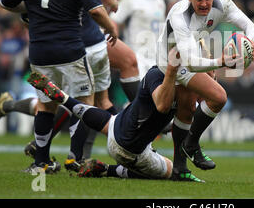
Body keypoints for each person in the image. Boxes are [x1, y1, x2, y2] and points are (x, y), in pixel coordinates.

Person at [0, 0, 119, 170]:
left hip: (39, 54)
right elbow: (96, 11)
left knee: (45, 105)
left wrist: (31, 10)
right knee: (84, 102)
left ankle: (41, 163)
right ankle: (74, 158)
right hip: (70, 52)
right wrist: (111, 28)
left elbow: (4, 2)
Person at [156, 0, 254, 181]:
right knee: (218, 97)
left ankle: (179, 170)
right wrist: (219, 62)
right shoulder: (180, 15)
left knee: (186, 110)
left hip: (191, 54)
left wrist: (248, 43)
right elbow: (191, 62)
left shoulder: (224, 3)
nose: (204, 4)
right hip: (172, 61)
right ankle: (191, 143)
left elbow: (251, 27)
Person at [26, 47, 182, 180]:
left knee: (108, 117)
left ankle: (64, 98)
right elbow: (163, 106)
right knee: (170, 170)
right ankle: (106, 169)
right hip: (129, 150)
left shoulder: (153, 73)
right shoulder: (177, 84)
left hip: (117, 126)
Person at [111, 0, 166, 79]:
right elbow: (113, 21)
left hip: (156, 58)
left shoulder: (160, 0)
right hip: (137, 58)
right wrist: (117, 48)